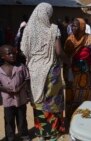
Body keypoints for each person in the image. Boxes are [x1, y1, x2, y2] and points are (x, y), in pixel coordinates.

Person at [20, 3, 70, 140]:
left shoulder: (28, 29)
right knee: (52, 102)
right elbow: (59, 52)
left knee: (38, 101)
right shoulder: (53, 29)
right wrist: (68, 61)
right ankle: (53, 132)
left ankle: (42, 132)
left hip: (34, 71)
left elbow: (24, 50)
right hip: (51, 72)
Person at [64, 18, 91, 120]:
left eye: (76, 26)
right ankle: (70, 118)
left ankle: (83, 117)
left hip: (85, 74)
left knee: (84, 95)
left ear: (82, 27)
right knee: (71, 95)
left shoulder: (89, 39)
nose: (73, 27)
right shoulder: (69, 40)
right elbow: (66, 58)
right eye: (72, 25)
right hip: (72, 73)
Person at [0, 45, 31, 141]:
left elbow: (27, 79)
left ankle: (24, 135)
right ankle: (10, 137)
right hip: (7, 99)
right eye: (9, 54)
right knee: (9, 120)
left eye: (13, 53)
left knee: (22, 118)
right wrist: (7, 90)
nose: (12, 55)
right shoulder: (0, 70)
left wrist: (20, 88)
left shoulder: (20, 67)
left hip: (20, 98)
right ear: (2, 56)